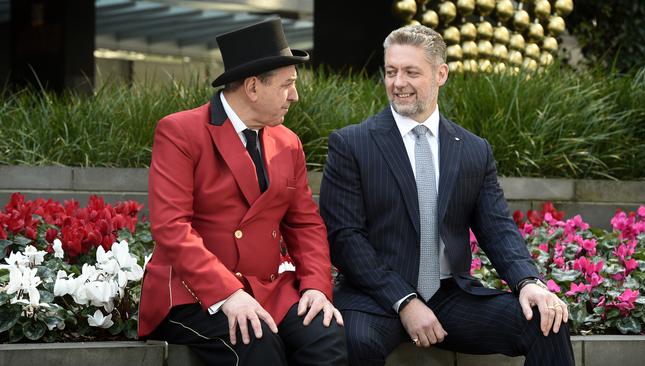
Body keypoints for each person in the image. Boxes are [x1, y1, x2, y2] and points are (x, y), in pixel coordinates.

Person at [319, 24, 574, 366]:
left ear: (441, 74)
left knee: (547, 324)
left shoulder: (472, 149)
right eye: (391, 71)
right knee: (354, 343)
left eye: (411, 72)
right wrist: (404, 301)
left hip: (449, 296)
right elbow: (345, 238)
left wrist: (527, 282)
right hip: (375, 297)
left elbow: (497, 227)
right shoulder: (352, 144)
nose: (398, 83)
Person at [138, 18, 347, 366]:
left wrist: (315, 287)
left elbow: (305, 225)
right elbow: (171, 227)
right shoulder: (180, 131)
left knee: (324, 334)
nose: (294, 95)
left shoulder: (288, 142)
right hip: (193, 295)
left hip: (267, 290)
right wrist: (228, 294)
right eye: (287, 85)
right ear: (252, 87)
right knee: (256, 344)